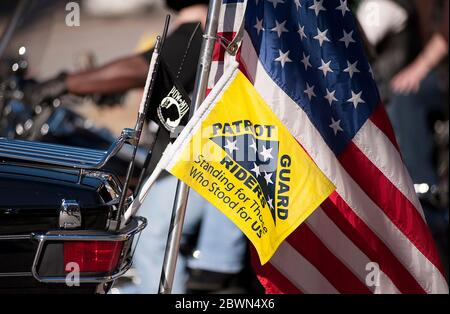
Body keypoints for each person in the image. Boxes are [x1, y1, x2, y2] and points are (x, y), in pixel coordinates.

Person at [28, 1, 250, 293]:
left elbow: (140, 69)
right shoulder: (217, 34)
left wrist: (65, 82)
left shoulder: (200, 32)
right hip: (208, 160)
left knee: (146, 238)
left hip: (195, 167)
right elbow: (158, 79)